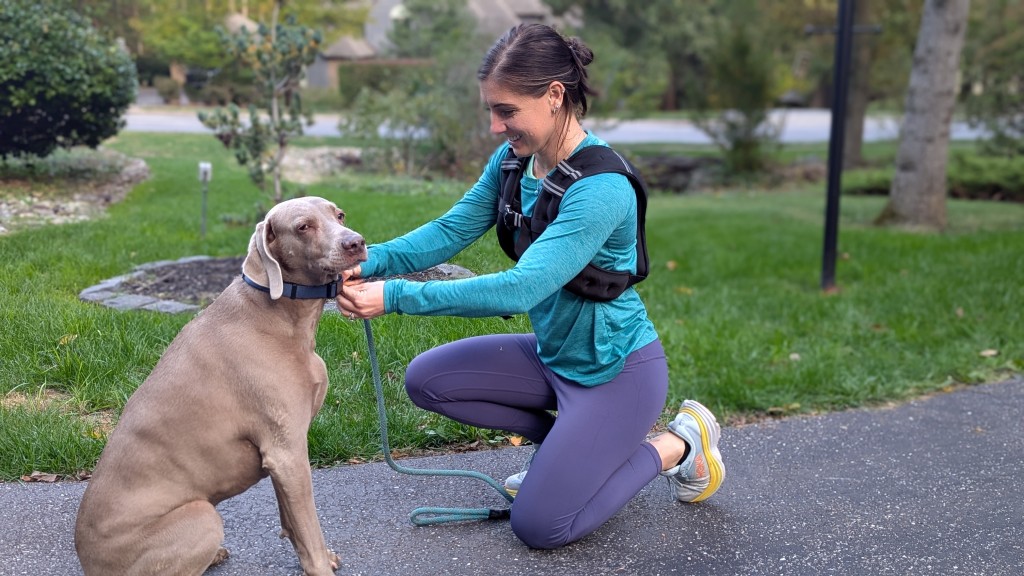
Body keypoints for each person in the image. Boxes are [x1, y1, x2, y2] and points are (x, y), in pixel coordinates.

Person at [336, 22, 725, 550]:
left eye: (507, 111)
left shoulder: (601, 188)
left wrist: (395, 296)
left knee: (540, 526)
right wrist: (368, 261)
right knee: (427, 381)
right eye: (491, 110)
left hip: (615, 372)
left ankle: (679, 443)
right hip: (552, 355)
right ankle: (569, 453)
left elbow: (519, 290)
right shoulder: (513, 164)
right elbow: (450, 231)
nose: (495, 126)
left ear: (554, 95)